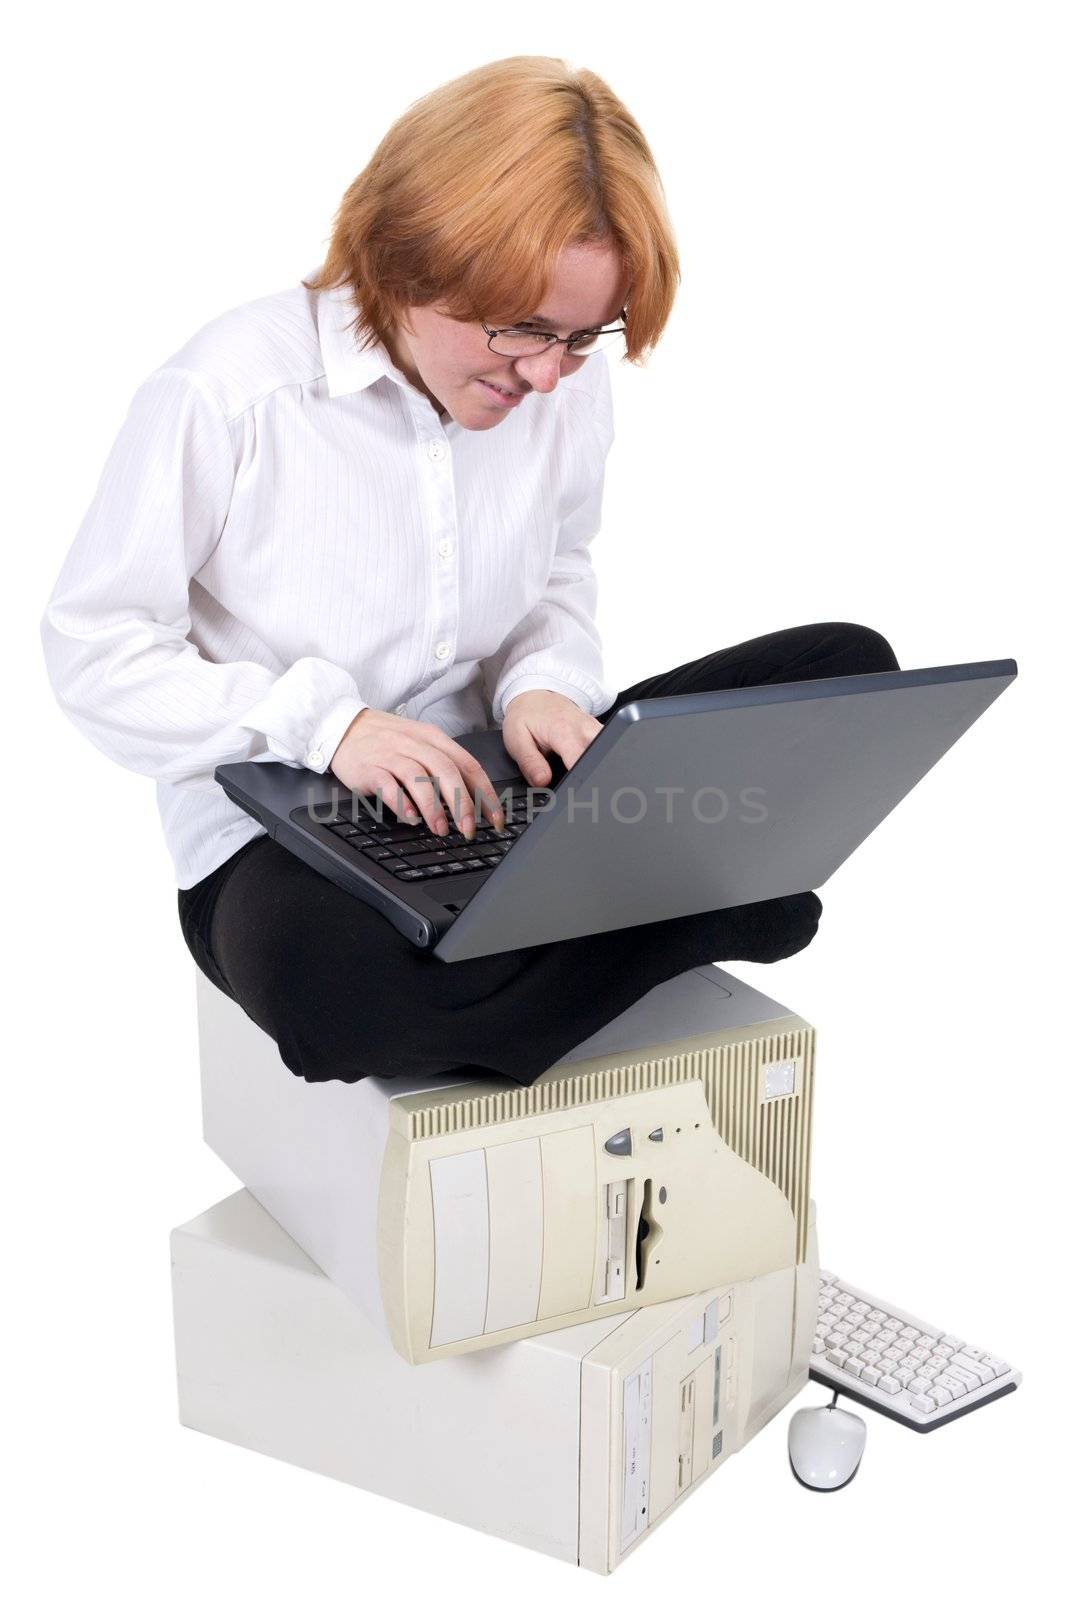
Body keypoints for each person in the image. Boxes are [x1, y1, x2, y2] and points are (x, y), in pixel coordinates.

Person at [40, 55, 898, 1087]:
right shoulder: (229, 395)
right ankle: (693, 910)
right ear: (406, 257)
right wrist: (329, 727)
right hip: (286, 825)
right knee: (349, 1014)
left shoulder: (555, 389)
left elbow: (557, 569)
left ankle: (540, 938)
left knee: (847, 662)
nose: (544, 374)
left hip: (507, 790)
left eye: (585, 335)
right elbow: (94, 650)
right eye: (522, 328)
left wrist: (542, 683)